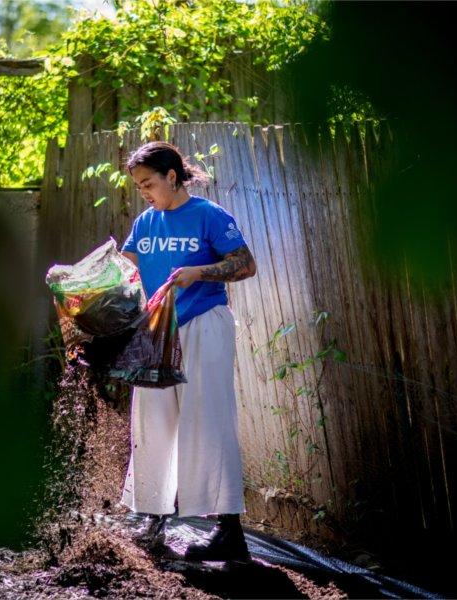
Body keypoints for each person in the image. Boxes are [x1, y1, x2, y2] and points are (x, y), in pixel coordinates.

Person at [119, 141, 257, 561]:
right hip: (157, 333)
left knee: (207, 421)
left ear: (172, 177)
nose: (143, 192)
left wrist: (201, 271)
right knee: (151, 422)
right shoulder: (145, 222)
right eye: (139, 186)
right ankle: (153, 519)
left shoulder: (209, 216)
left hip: (203, 326)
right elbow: (125, 267)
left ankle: (229, 532)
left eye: (148, 183)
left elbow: (245, 263)